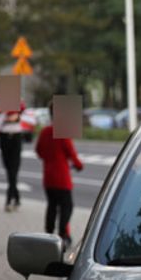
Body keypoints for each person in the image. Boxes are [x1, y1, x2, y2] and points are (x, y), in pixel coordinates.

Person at [35, 103, 83, 247]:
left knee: (52, 205)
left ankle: (49, 232)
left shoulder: (45, 132)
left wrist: (49, 158)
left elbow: (39, 150)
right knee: (67, 206)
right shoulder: (63, 132)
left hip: (48, 177)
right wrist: (79, 165)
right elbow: (72, 154)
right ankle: (63, 234)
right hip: (62, 178)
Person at [0, 96, 26, 211]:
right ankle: (16, 197)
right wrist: (5, 116)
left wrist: (17, 116)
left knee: (14, 169)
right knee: (9, 169)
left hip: (16, 138)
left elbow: (28, 121)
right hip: (4, 138)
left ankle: (9, 200)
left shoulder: (19, 105)